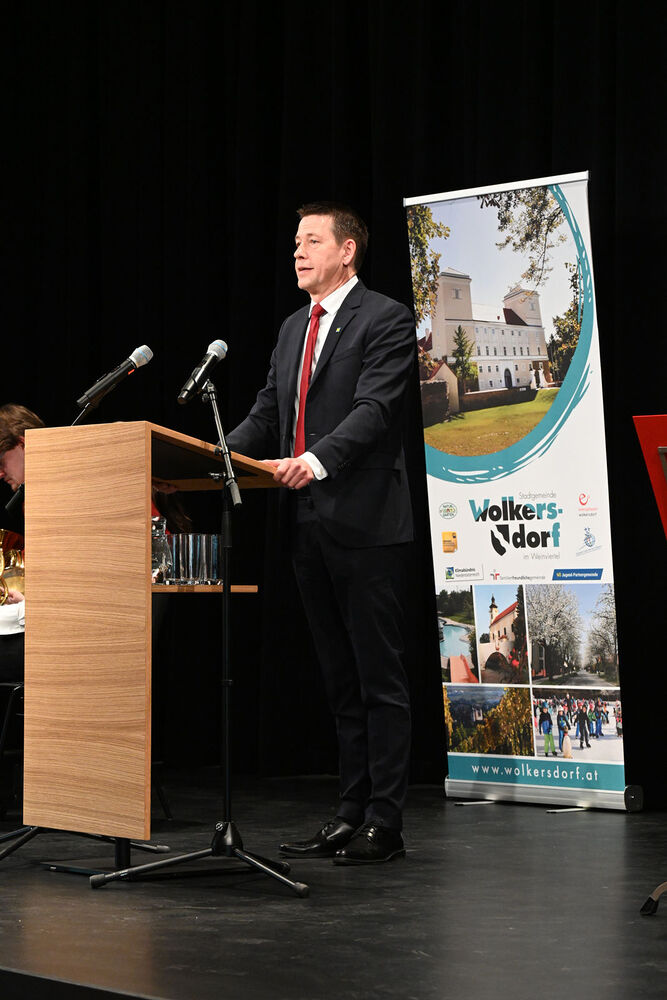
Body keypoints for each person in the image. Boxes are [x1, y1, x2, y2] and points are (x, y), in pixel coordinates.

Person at [226, 202, 416, 865]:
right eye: (295, 242)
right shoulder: (290, 329)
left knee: (378, 679)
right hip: (304, 522)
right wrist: (216, 454)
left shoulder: (386, 318)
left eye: (311, 240)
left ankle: (385, 820)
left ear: (347, 251)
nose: (298, 252)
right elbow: (268, 413)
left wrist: (313, 460)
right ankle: (348, 811)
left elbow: (374, 409)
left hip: (366, 523)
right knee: (338, 679)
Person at [0, 405, 44, 681]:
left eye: (1, 460)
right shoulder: (34, 496)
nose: (0, 473)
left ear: (23, 444)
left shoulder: (61, 489)